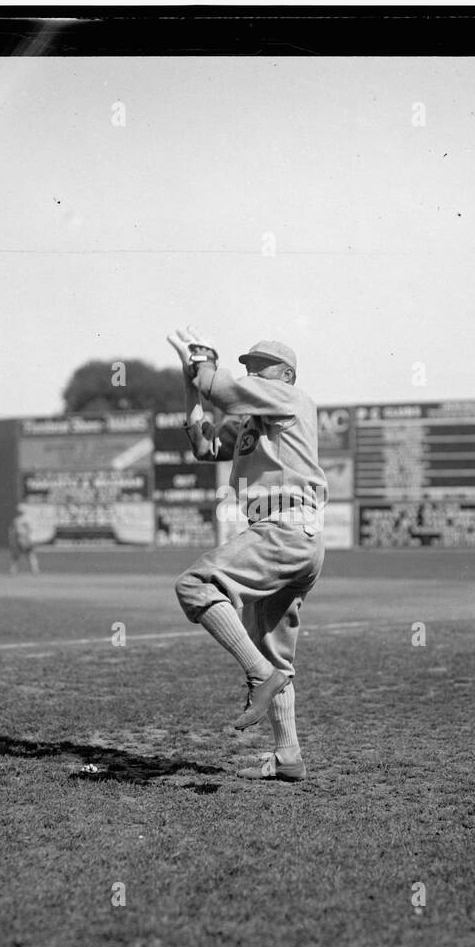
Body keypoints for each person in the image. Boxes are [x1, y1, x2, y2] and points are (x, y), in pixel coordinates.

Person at [167, 327, 328, 782]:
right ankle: (288, 756)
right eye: (247, 366)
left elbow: (221, 388)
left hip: (287, 526)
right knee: (275, 651)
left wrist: (203, 366)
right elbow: (203, 445)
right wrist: (189, 381)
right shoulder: (250, 423)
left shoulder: (293, 400)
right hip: (287, 535)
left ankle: (259, 677)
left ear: (286, 375)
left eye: (259, 367)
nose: (250, 371)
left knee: (195, 584)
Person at [8, 510, 39, 575]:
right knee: (30, 555)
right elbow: (30, 530)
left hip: (20, 538)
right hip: (25, 539)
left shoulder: (16, 520)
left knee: (16, 557)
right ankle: (35, 571)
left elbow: (13, 531)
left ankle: (13, 571)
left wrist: (13, 540)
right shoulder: (26, 519)